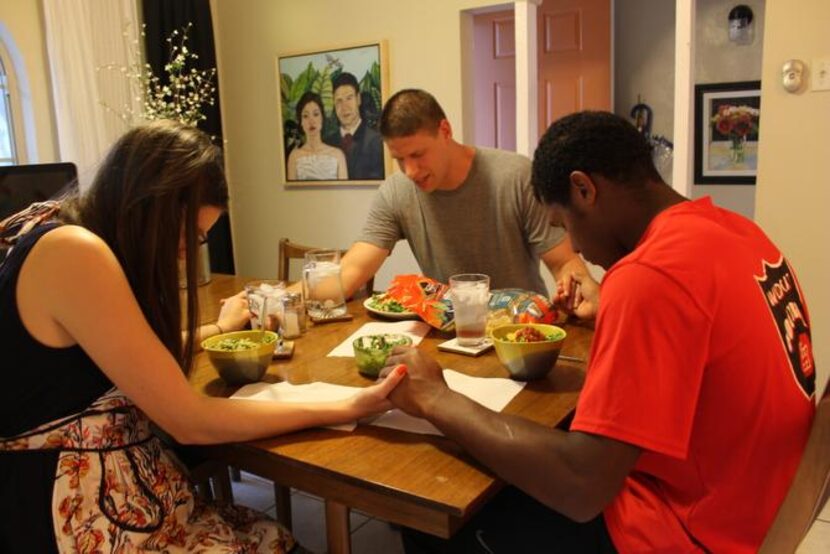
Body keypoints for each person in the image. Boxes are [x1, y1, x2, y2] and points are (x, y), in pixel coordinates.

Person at [379, 111, 816, 553]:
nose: (579, 249)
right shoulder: (737, 230)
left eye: (566, 224)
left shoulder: (649, 275)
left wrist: (436, 397)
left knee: (436, 505)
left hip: (688, 531)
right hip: (757, 504)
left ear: (584, 189)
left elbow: (581, 486)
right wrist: (613, 307)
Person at [0, 120, 405, 553]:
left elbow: (116, 348)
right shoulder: (76, 252)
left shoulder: (59, 227)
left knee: (265, 532)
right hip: (66, 505)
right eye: (192, 236)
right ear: (155, 205)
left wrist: (217, 328)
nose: (185, 253)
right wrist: (341, 405)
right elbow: (189, 421)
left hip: (105, 484)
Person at [338, 88, 593, 303]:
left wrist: (580, 293)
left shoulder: (516, 175)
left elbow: (563, 263)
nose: (410, 171)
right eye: (399, 160)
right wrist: (300, 294)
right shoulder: (395, 192)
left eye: (417, 155)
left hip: (519, 333)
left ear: (446, 131)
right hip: (446, 331)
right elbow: (352, 272)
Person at [326, 72, 385, 180]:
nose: (344, 107)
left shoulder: (376, 141)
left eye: (349, 98)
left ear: (358, 99)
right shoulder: (327, 143)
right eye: (339, 101)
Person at [287, 91, 348, 181]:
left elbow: (344, 192)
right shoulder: (294, 156)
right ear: (301, 122)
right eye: (305, 116)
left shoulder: (338, 155)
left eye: (316, 114)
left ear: (322, 118)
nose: (311, 121)